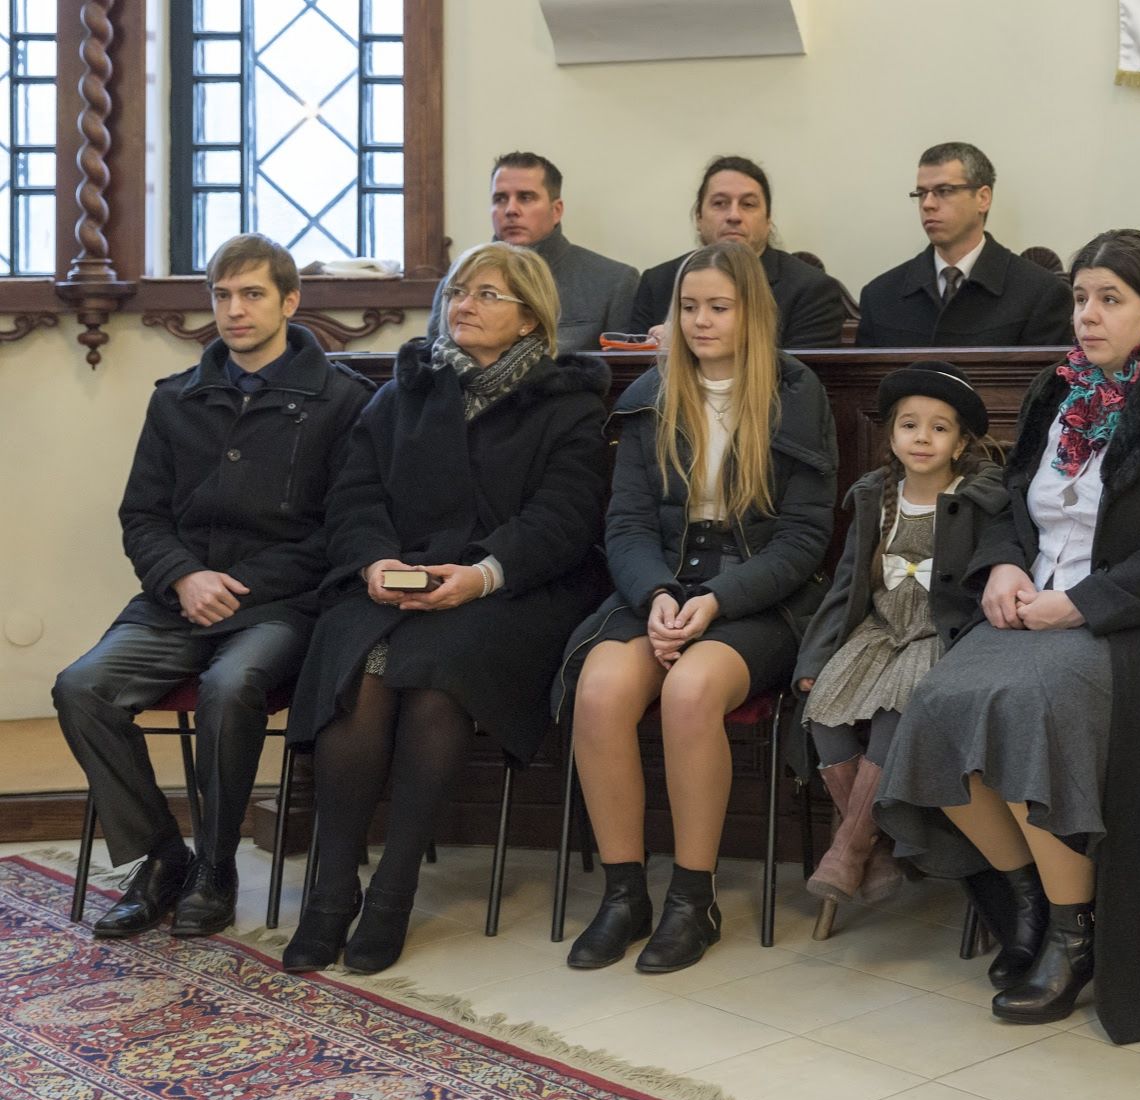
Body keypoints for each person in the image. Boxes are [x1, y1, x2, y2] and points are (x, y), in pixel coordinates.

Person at [875, 230, 1140, 1037]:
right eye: (1080, 297)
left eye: (1109, 299)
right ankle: (1025, 894)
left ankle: (1071, 933)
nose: (1087, 314)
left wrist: (1082, 603)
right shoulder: (1058, 389)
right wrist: (1002, 565)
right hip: (1039, 606)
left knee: (1030, 704)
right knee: (936, 702)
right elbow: (1011, 497)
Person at [281, 242, 611, 975]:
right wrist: (375, 562)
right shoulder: (404, 391)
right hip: (391, 580)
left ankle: (393, 889)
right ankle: (332, 889)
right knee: (360, 670)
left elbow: (564, 518)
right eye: (459, 291)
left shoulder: (566, 401)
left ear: (530, 318)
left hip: (514, 588)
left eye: (487, 294)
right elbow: (354, 495)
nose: (464, 304)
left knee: (438, 677)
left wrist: (482, 575)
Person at [52, 234, 372, 939]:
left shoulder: (344, 400)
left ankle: (216, 867)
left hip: (280, 607)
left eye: (253, 294)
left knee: (231, 686)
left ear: (290, 302)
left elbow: (345, 530)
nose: (235, 310)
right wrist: (183, 576)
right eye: (222, 295)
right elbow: (142, 516)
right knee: (81, 687)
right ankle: (166, 857)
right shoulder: (175, 399)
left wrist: (240, 585)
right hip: (176, 601)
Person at [561, 240, 837, 975]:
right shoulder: (650, 394)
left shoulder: (795, 391)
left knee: (689, 691)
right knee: (599, 690)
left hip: (757, 595)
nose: (701, 321)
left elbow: (804, 538)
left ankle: (693, 898)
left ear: (752, 313)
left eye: (719, 307)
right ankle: (624, 893)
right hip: (660, 585)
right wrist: (655, 594)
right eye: (689, 308)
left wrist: (716, 601)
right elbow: (624, 524)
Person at [792, 362, 1006, 904]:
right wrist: (814, 661)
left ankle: (848, 850)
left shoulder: (975, 498)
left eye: (940, 427)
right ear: (891, 436)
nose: (923, 437)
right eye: (910, 425)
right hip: (881, 629)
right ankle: (875, 842)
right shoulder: (875, 496)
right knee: (825, 712)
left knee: (896, 711)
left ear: (961, 443)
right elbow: (846, 587)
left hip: (939, 635)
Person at [854, 143, 1072, 347]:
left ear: (983, 198)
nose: (928, 204)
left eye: (944, 191)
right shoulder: (880, 296)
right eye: (921, 194)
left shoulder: (1039, 293)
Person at [426, 151, 639, 353]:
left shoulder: (613, 282)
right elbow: (435, 359)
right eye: (500, 199)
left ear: (556, 210)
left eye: (526, 197)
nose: (511, 210)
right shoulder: (455, 285)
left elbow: (623, 371)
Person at [626, 156, 847, 348]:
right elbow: (633, 370)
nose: (734, 216)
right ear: (698, 218)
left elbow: (803, 376)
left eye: (748, 204)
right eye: (720, 203)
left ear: (768, 219)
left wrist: (685, 348)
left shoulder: (811, 289)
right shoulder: (659, 282)